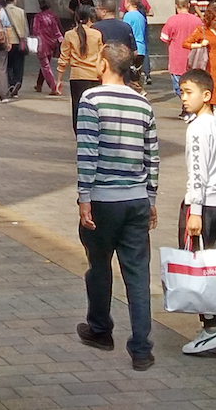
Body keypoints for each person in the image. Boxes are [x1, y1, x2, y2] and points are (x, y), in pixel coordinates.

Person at [75, 39, 158, 368]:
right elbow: (153, 157)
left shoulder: (91, 99)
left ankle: (100, 327)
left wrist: (84, 197)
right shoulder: (143, 104)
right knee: (137, 275)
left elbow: (88, 152)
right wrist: (151, 197)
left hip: (103, 199)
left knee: (99, 266)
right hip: (136, 198)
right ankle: (141, 348)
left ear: (103, 64)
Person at [177, 69, 216, 359]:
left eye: (189, 92)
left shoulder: (199, 127)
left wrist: (195, 211)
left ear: (207, 95)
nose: (184, 98)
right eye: (182, 92)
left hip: (205, 204)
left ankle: (211, 328)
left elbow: (197, 172)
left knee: (201, 268)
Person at [57, 8, 106, 118]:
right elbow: (101, 56)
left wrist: (59, 79)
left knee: (78, 109)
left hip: (77, 77)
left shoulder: (69, 35)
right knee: (95, 108)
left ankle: (79, 133)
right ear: (89, 19)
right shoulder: (97, 34)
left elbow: (63, 58)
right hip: (95, 76)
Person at [157, 0, 199, 104]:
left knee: (178, 87)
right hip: (194, 59)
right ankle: (189, 107)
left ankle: (189, 107)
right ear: (189, 5)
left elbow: (164, 38)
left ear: (176, 6)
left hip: (177, 60)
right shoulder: (197, 20)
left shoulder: (172, 20)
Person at [31, 0, 63, 96]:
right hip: (52, 43)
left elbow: (35, 31)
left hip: (42, 43)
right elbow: (58, 30)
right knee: (46, 64)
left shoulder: (38, 17)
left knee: (45, 65)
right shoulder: (54, 16)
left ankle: (54, 87)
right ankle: (39, 84)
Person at [0, 0, 28, 98]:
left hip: (7, 41)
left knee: (8, 65)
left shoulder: (2, 11)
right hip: (19, 41)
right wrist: (25, 40)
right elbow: (25, 28)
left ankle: (11, 83)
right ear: (15, 0)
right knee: (19, 65)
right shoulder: (21, 11)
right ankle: (17, 82)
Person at [119, 0, 148, 86]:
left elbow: (125, 31)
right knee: (137, 75)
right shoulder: (141, 16)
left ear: (128, 3)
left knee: (129, 77)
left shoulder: (128, 16)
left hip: (132, 48)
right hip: (142, 48)